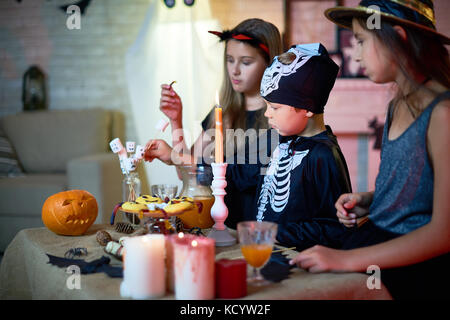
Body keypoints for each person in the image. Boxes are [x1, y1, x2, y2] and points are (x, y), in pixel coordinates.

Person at [289, 0, 450, 300]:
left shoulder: (442, 114)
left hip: (414, 266)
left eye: (362, 41)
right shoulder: (396, 106)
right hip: (374, 239)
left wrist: (344, 259)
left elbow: (443, 233)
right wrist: (370, 201)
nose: (356, 53)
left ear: (399, 38)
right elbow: (422, 189)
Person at [145, 18, 283, 228]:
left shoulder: (279, 119)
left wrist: (174, 156)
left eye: (246, 62)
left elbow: (237, 174)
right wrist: (175, 120)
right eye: (229, 60)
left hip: (255, 231)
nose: (234, 70)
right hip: (214, 226)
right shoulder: (222, 113)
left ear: (269, 63)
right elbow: (190, 176)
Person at [253, 43, 352, 250]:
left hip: (300, 262)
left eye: (275, 107)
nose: (267, 114)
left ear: (307, 108)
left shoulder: (323, 156)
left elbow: (335, 228)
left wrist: (278, 233)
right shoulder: (280, 141)